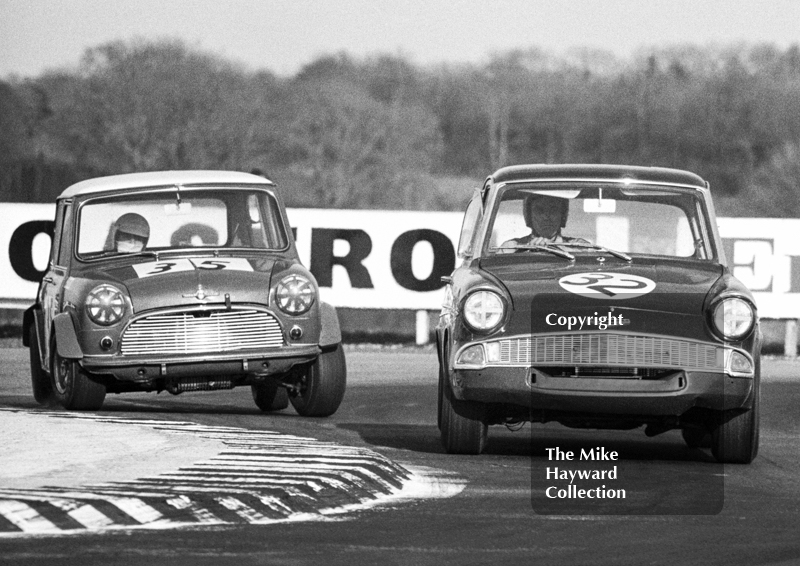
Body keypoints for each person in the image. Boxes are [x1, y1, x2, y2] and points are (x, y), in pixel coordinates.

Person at [501, 194, 580, 249]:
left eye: (553, 210)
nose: (546, 217)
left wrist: (562, 250)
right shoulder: (511, 248)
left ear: (562, 215)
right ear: (529, 215)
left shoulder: (581, 247)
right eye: (539, 210)